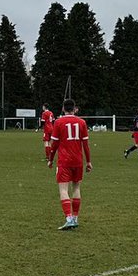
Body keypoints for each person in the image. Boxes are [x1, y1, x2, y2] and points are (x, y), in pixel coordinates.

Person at [47, 98, 91, 230]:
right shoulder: (82, 122)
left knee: (63, 189)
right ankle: (75, 217)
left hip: (64, 161)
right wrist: (88, 161)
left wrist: (50, 158)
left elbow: (54, 144)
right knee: (76, 188)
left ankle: (69, 218)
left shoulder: (59, 122)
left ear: (63, 109)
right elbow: (86, 145)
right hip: (78, 161)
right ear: (74, 108)